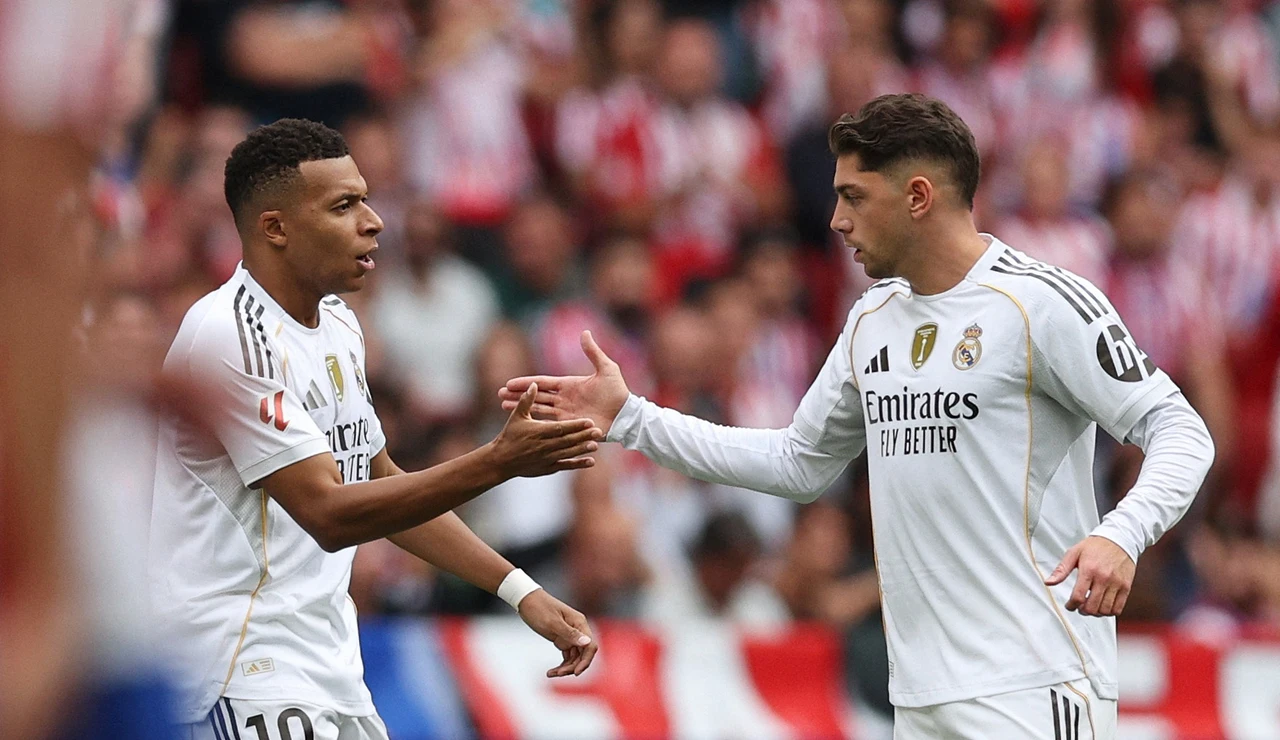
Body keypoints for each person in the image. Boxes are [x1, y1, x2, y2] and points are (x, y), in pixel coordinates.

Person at [500, 94, 1216, 738]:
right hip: (921, 694)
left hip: (1033, 682)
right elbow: (798, 463)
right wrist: (630, 417)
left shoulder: (1043, 304)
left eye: (853, 196)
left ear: (917, 196)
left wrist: (1121, 534)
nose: (836, 218)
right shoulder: (871, 320)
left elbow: (1181, 431)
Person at [149, 118, 602, 740]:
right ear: (275, 228)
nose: (374, 220)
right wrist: (498, 461)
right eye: (343, 206)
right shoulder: (230, 336)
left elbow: (383, 483)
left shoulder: (337, 323)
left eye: (364, 197)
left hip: (330, 669)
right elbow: (330, 514)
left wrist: (519, 589)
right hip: (238, 670)